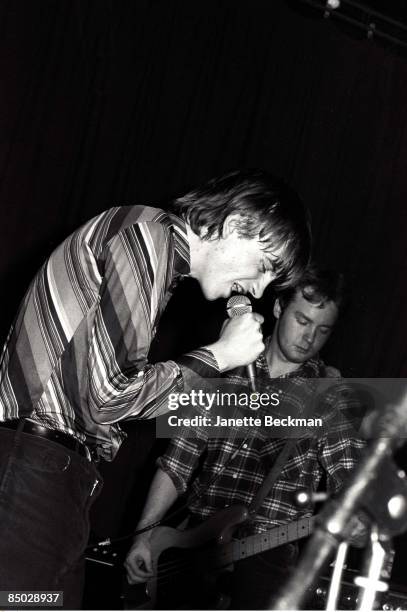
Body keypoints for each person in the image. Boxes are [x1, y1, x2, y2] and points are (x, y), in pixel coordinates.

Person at [0, 169, 310, 607]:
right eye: (264, 266)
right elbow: (110, 397)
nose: (259, 289)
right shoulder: (148, 238)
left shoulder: (155, 254)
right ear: (236, 224)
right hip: (34, 468)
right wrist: (219, 355)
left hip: (56, 475)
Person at [124, 266, 366, 610]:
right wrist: (143, 537)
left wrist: (358, 514)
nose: (310, 337)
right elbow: (177, 463)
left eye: (322, 329)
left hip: (267, 556)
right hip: (192, 546)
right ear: (280, 308)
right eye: (302, 320)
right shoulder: (226, 367)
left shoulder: (330, 396)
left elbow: (352, 476)